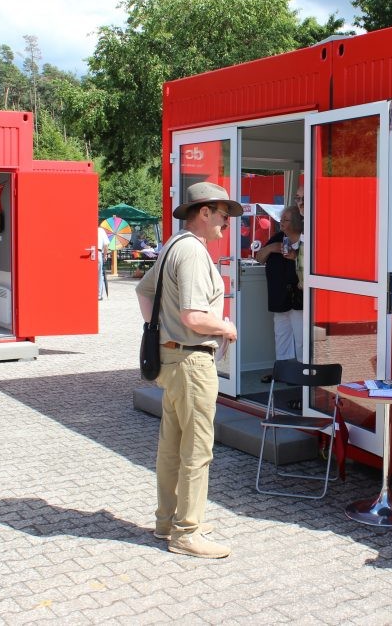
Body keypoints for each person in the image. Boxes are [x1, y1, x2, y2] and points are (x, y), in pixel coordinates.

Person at [135, 182, 242, 559]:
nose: (227, 222)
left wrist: (159, 332)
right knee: (197, 449)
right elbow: (194, 316)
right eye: (223, 214)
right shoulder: (194, 253)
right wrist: (226, 327)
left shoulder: (172, 246)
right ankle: (187, 532)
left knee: (171, 447)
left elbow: (144, 292)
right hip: (193, 362)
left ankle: (168, 520)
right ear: (204, 212)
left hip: (171, 359)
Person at [254, 206, 304, 379]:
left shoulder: (306, 241)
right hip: (279, 297)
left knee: (301, 339)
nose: (281, 222)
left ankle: (301, 376)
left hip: (299, 299)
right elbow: (259, 257)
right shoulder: (277, 238)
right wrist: (271, 248)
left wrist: (295, 256)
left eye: (286, 220)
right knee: (282, 336)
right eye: (281, 219)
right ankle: (283, 372)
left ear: (297, 221)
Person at [97, 225, 110, 300]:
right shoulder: (101, 230)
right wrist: (105, 255)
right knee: (99, 274)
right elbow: (106, 245)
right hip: (98, 252)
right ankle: (98, 295)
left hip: (87, 251)